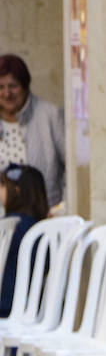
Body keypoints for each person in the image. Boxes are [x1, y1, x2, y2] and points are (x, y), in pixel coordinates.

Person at [0, 54, 64, 209]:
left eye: (13, 86)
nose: (7, 94)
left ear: (25, 86)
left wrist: (62, 208)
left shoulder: (49, 115)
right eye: (0, 87)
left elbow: (73, 168)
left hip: (44, 216)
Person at [0, 163, 48, 316]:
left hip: (6, 305)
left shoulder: (9, 227)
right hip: (32, 308)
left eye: (2, 186)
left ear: (16, 190)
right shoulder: (43, 228)